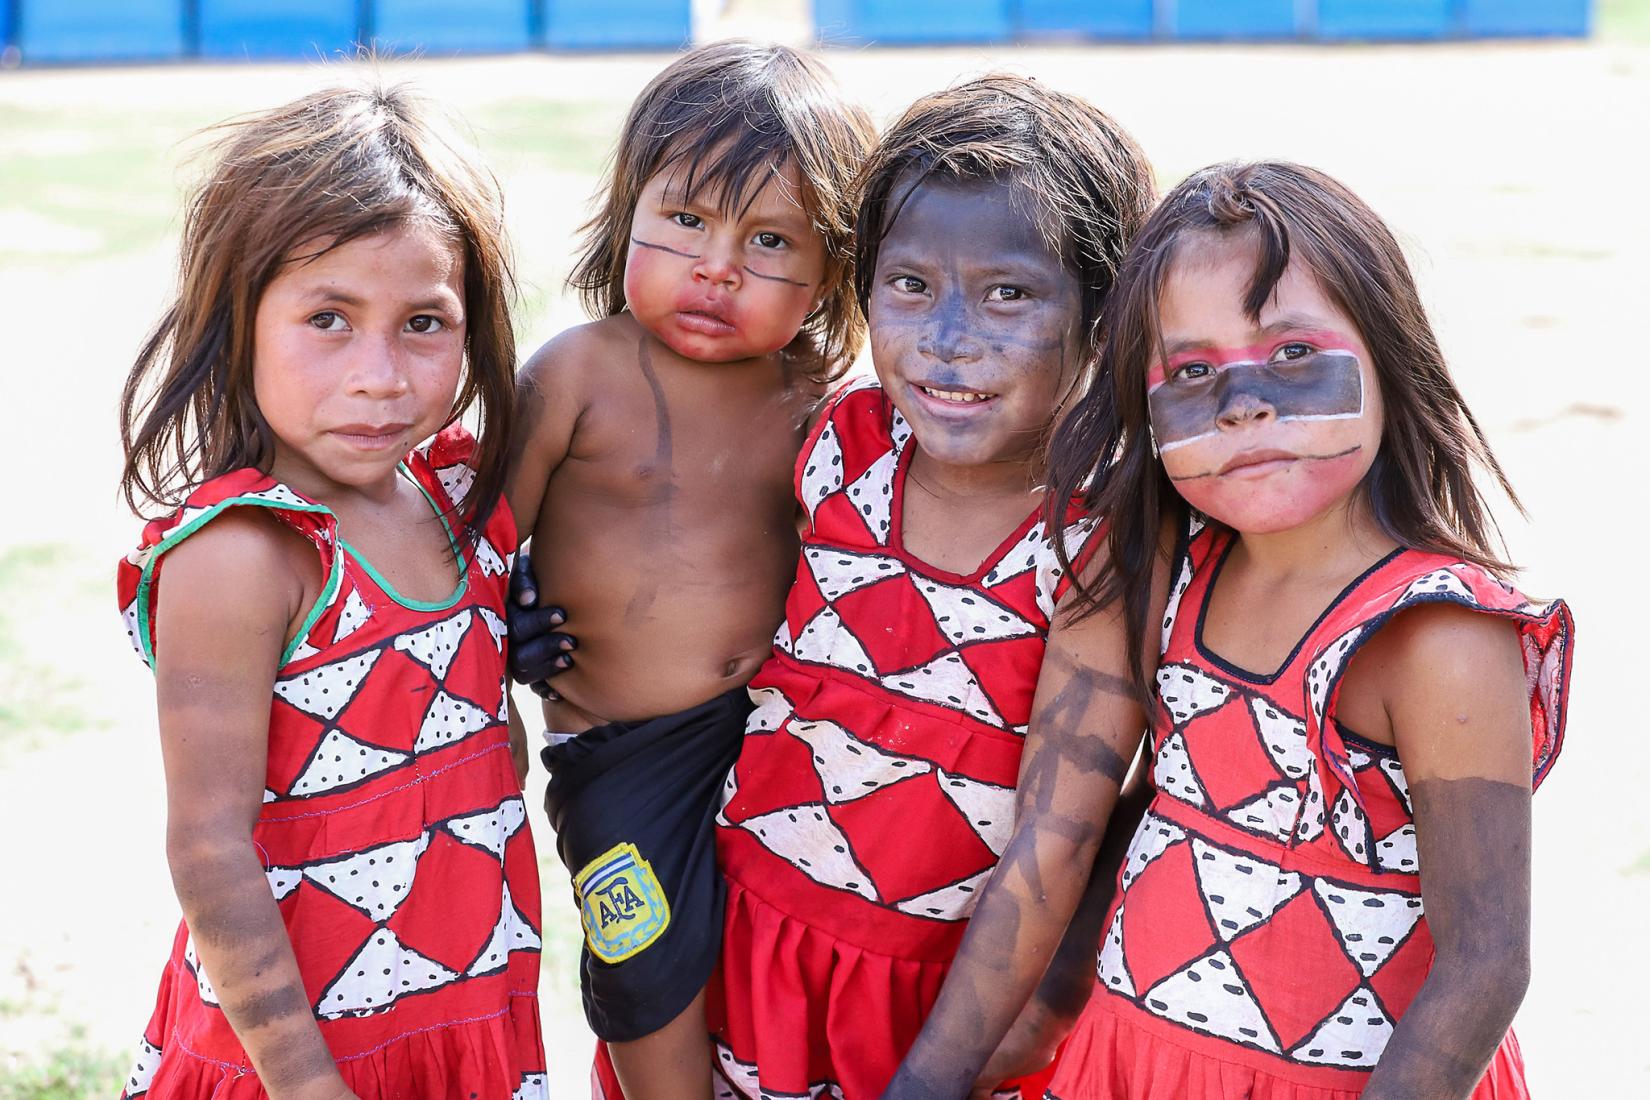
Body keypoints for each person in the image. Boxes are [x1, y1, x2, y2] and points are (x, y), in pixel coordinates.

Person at [1022, 161, 1573, 1099]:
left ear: (1391, 355)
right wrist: (1041, 1017)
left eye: (1290, 354)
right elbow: (1165, 812)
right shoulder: (1183, 575)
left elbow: (1486, 965)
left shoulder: (1437, 636)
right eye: (1193, 371)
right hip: (1132, 1062)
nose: (1243, 403)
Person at [701, 76, 1155, 1100]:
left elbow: (1055, 832)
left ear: (1102, 307)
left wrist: (934, 1076)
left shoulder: (1091, 540)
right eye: (909, 284)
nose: (950, 337)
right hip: (745, 951)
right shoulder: (838, 448)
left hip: (942, 1011)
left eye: (1009, 293)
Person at [114, 84, 544, 1099]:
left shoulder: (458, 497)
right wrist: (310, 1086)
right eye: (329, 319)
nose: (380, 374)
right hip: (304, 1053)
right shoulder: (248, 552)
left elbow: (484, 763)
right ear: (239, 319)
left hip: (464, 1000)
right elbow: (209, 845)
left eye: (424, 323)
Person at [502, 41, 874, 1100]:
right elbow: (475, 544)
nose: (719, 266)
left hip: (778, 731)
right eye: (686, 222)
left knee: (779, 934)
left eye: (769, 241)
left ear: (831, 270)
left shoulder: (818, 395)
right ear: (628, 211)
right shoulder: (578, 373)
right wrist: (505, 619)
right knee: (643, 952)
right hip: (620, 752)